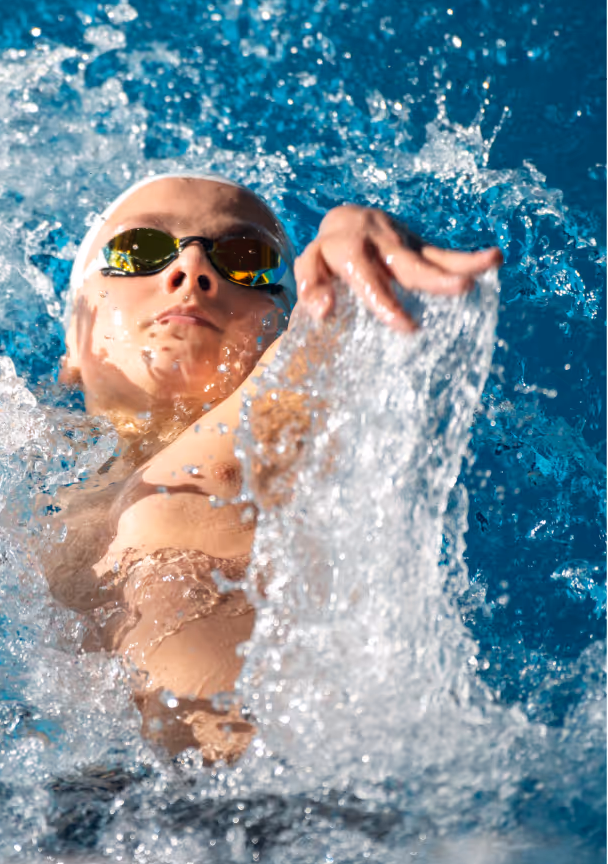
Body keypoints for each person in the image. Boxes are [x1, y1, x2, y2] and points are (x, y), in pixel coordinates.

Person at [42, 172, 501, 763]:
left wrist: (344, 246)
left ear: (279, 332)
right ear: (73, 345)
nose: (189, 268)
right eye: (138, 251)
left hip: (266, 814)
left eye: (247, 260)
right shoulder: (11, 473)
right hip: (70, 808)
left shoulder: (258, 453)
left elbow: (320, 346)